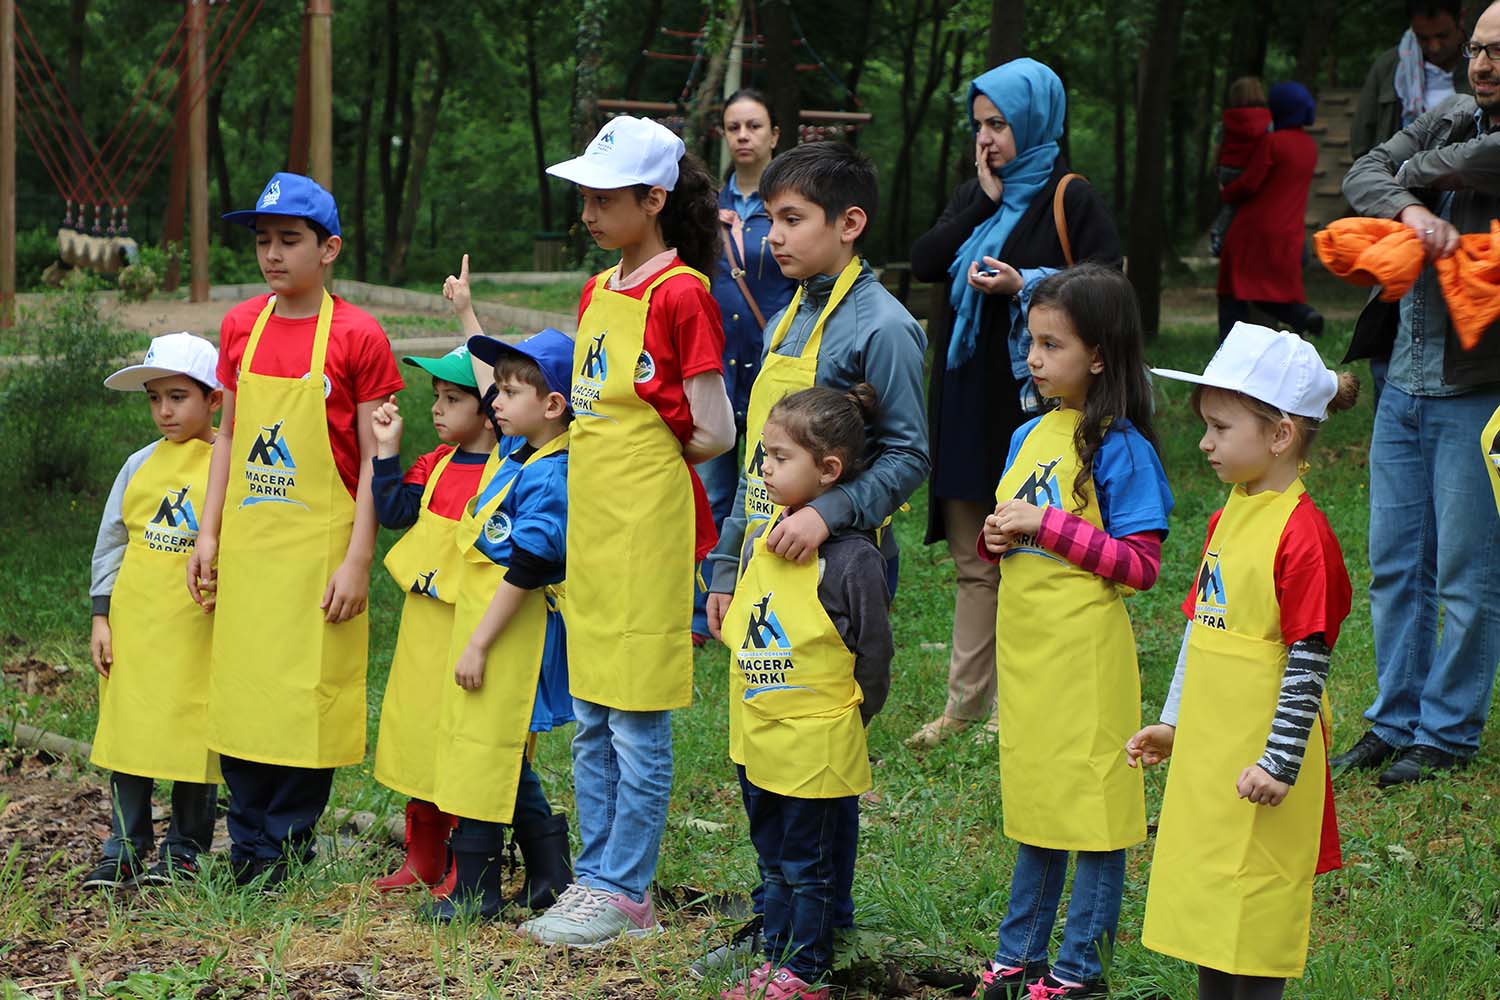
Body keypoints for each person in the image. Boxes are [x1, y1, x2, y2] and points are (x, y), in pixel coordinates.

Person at [697, 140, 928, 978]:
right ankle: (778, 917)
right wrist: (727, 566)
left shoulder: (885, 327)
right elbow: (759, 463)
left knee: (820, 757)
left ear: (850, 223)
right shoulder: (789, 313)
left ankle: (816, 931)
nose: (771, 238)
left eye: (791, 221)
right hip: (764, 571)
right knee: (768, 750)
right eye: (767, 220)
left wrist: (830, 514)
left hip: (836, 576)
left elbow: (908, 458)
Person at [519, 115, 735, 946]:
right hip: (594, 525)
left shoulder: (683, 294)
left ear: (654, 198)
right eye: (584, 196)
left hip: (647, 524)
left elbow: (713, 428)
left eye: (605, 198)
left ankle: (627, 890)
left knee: (636, 715)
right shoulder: (600, 289)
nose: (588, 212)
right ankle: (594, 876)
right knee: (592, 710)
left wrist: (652, 441)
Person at [187, 173, 404, 886]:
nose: (272, 255)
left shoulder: (358, 334)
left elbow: (378, 456)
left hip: (321, 547)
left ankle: (285, 844)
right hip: (251, 546)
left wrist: (358, 559)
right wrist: (209, 534)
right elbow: (227, 438)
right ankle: (247, 841)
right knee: (247, 689)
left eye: (289, 240)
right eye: (262, 241)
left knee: (308, 692)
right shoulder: (240, 325)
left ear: (328, 247)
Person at [1130, 322, 1356, 1000]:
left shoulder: (1305, 536)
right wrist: (1174, 723)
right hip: (1211, 757)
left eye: (1220, 428)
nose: (1204, 442)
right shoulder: (1228, 513)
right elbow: (1202, 630)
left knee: (1254, 912)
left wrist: (1278, 764)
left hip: (1263, 766)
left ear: (1280, 434)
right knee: (1207, 908)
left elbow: (1307, 662)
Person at [908, 58, 1121, 749]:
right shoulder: (981, 193)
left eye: (998, 124)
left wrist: (1025, 284)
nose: (988, 139)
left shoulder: (1070, 196)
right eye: (979, 126)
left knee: (1032, 555)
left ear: (1033, 120)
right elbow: (925, 259)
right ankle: (964, 709)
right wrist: (979, 198)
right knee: (977, 558)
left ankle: (1016, 709)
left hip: (1037, 405)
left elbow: (1106, 285)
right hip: (970, 395)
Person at [974, 264, 1173, 1000]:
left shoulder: (1121, 448)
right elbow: (1019, 531)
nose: (1034, 358)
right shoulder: (1028, 434)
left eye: (1052, 345)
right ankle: (1017, 956)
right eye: (1031, 342)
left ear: (1097, 354)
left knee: (1092, 809)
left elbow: (1141, 566)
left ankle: (1078, 969)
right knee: (1038, 801)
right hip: (1029, 657)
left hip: (1086, 661)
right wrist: (1000, 538)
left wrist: (1048, 527)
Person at [1331, 0, 1500, 787]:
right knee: (1398, 564)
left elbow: (1469, 162)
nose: (1484, 65)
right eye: (1476, 51)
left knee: (1468, 571)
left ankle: (1448, 732)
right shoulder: (1453, 114)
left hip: (1477, 389)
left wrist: (1417, 169)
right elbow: (1361, 169)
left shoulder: (1461, 129)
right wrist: (1403, 203)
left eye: (1499, 52)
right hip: (1402, 377)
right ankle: (1393, 720)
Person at [718, 385, 893, 1000]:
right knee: (773, 856)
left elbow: (874, 656)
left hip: (815, 742)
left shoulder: (851, 562)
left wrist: (849, 717)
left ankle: (804, 967)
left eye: (778, 457)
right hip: (760, 734)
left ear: (829, 471)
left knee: (809, 863)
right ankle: (777, 953)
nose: (764, 467)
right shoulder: (769, 533)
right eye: (763, 454)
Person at [428, 328, 576, 922]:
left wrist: (480, 644)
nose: (494, 402)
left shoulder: (550, 472)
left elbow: (534, 562)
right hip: (487, 624)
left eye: (508, 394)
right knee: (491, 752)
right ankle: (548, 874)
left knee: (490, 752)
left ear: (552, 406)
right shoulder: (519, 446)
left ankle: (477, 889)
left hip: (511, 634)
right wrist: (466, 314)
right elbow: (501, 383)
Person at [83, 333, 224, 889]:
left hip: (198, 625)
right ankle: (125, 841)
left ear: (214, 398)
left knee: (194, 732)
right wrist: (101, 614)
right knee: (131, 729)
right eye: (154, 398)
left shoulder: (227, 465)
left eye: (178, 397)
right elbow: (111, 542)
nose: (164, 411)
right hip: (136, 622)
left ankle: (185, 847)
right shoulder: (138, 465)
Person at [365, 343, 496, 892]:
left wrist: (467, 314)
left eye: (453, 398)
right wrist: (387, 451)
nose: (437, 409)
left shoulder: (509, 467)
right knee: (418, 732)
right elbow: (395, 512)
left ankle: (470, 862)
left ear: (490, 407)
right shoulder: (433, 464)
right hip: (424, 626)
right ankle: (422, 860)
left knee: (468, 739)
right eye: (435, 398)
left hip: (476, 627)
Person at [695, 88, 798, 644]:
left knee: (768, 487)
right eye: (733, 127)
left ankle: (763, 595)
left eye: (753, 125)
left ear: (774, 134)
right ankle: (703, 612)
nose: (742, 136)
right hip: (717, 367)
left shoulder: (788, 203)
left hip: (773, 368)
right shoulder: (706, 204)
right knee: (712, 491)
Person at [1216, 82, 1324, 342]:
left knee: (1232, 294)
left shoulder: (1272, 143)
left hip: (1252, 230)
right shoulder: (1310, 147)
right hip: (1290, 230)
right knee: (1272, 294)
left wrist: (1225, 191)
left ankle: (1228, 355)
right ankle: (1303, 315)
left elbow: (1250, 182)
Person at [1351, 0, 1469, 160]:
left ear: (1461, 18)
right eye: (1423, 38)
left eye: (1442, 36)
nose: (1434, 46)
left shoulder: (1484, 65)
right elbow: (1362, 143)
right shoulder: (1389, 68)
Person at [1208, 77, 1272, 258]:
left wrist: (1218, 170)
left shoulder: (1227, 120)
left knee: (1231, 204)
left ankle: (1221, 235)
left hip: (1228, 169)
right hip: (1251, 170)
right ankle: (1222, 234)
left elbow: (1218, 146)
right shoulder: (1268, 121)